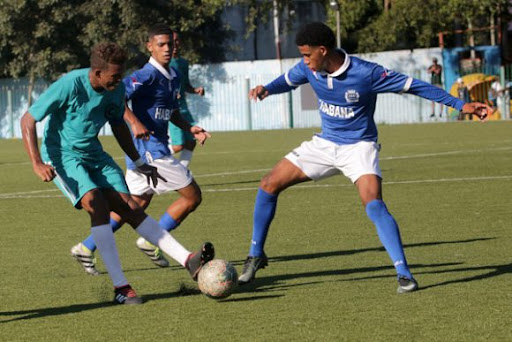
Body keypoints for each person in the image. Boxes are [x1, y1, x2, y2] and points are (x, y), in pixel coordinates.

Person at [238, 22, 491, 294]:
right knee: (268, 184)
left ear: (323, 51)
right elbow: (286, 81)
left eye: (307, 55)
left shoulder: (367, 73)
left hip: (359, 147)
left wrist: (460, 104)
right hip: (325, 144)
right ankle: (255, 255)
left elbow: (414, 86)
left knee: (374, 204)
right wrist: (266, 89)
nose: (304, 61)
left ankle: (404, 274)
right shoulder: (308, 69)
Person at [21, 42, 214, 305]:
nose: (119, 80)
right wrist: (36, 163)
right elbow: (28, 120)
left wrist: (137, 161)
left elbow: (119, 126)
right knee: (96, 204)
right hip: (61, 155)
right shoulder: (70, 84)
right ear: (97, 72)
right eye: (114, 76)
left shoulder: (116, 88)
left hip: (95, 154)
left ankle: (187, 259)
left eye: (120, 74)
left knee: (131, 207)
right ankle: (121, 287)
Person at [71, 24, 211, 275]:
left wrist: (190, 128)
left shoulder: (174, 76)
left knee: (133, 206)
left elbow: (172, 111)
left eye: (170, 44)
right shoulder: (144, 76)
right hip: (149, 151)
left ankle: (85, 247)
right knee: (192, 196)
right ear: (150, 46)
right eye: (161, 44)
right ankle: (152, 239)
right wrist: (133, 121)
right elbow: (116, 95)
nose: (168, 48)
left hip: (148, 150)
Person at [168, 31, 205, 168]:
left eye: (177, 40)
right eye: (171, 41)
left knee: (191, 142)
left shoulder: (183, 63)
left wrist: (195, 90)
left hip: (184, 107)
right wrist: (170, 94)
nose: (174, 44)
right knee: (178, 146)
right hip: (172, 109)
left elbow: (186, 85)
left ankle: (181, 171)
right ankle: (151, 159)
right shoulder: (165, 64)